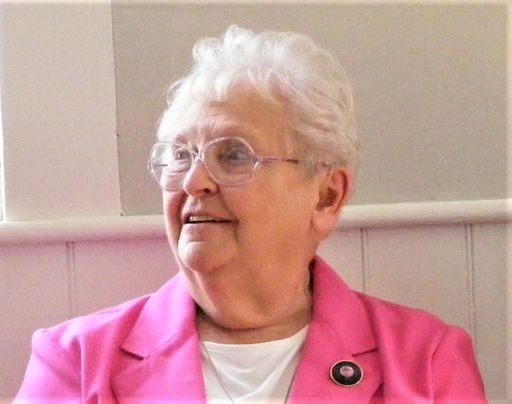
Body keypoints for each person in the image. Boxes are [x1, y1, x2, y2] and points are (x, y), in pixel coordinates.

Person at [16, 25, 485, 403]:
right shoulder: (77, 361)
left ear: (325, 196)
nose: (194, 182)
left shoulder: (424, 361)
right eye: (180, 156)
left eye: (234, 156)